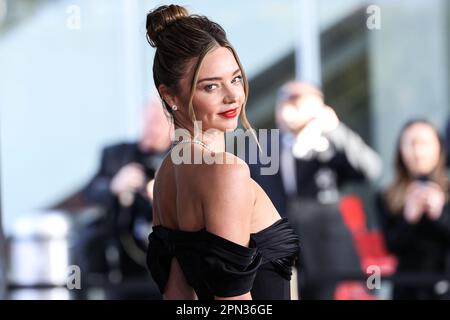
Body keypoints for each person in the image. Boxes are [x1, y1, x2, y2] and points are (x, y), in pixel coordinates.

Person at [145, 4, 299, 300]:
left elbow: (178, 299)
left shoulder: (166, 174)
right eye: (211, 86)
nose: (233, 96)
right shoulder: (226, 171)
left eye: (236, 78)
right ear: (169, 95)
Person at [248, 81, 382, 299]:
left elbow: (370, 169)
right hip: (280, 254)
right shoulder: (263, 146)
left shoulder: (331, 141)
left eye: (297, 103)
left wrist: (335, 129)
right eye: (283, 103)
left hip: (329, 254)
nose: (288, 110)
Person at [79, 98, 171, 299]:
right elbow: (90, 191)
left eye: (157, 120)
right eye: (148, 119)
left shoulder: (180, 156)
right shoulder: (117, 154)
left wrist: (162, 192)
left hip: (165, 262)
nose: (150, 127)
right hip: (121, 259)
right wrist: (115, 185)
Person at [376, 119, 450, 300]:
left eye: (424, 143)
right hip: (407, 287)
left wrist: (440, 215)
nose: (418, 152)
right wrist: (408, 218)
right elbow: (391, 245)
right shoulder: (388, 195)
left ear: (439, 146)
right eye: (410, 144)